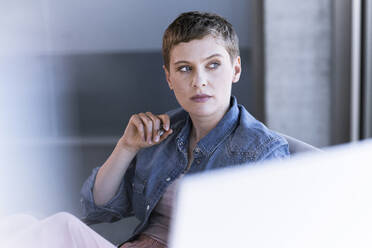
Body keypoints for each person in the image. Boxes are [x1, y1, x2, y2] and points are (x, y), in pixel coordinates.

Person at [0, 11, 289, 248]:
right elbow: (98, 209)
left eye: (213, 65)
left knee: (58, 227)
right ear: (169, 77)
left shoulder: (262, 152)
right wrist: (126, 147)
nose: (199, 81)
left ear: (235, 69)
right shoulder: (167, 130)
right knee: (21, 224)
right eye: (185, 68)